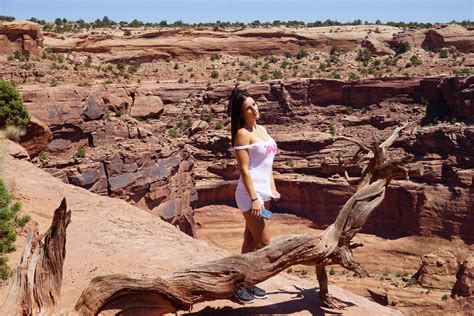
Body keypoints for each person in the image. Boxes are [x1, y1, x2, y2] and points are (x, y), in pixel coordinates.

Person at [229, 89, 280, 304]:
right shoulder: (242, 133)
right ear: (241, 114)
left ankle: (246, 282)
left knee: (250, 238)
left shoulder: (262, 129)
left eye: (254, 104)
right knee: (264, 241)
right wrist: (255, 199)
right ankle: (236, 282)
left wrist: (272, 187)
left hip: (264, 195)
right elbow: (245, 170)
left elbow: (267, 164)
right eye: (248, 107)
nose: (254, 109)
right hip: (250, 196)